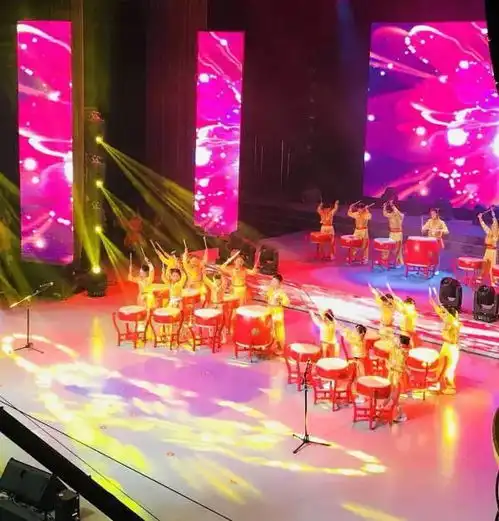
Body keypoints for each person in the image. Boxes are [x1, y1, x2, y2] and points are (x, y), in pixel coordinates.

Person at [429, 291, 461, 395]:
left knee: (449, 369)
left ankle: (451, 387)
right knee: (440, 364)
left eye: (447, 315)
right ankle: (437, 383)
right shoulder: (448, 320)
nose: (444, 316)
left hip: (452, 348)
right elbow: (441, 313)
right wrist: (434, 304)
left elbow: (450, 318)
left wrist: (445, 312)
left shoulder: (455, 323)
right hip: (446, 345)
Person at [382, 334, 410, 423]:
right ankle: (381, 408)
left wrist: (389, 364)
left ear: (402, 344)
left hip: (397, 377)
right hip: (393, 375)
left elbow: (398, 366)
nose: (396, 342)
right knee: (392, 396)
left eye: (398, 341)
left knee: (394, 397)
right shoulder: (398, 350)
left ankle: (401, 414)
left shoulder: (402, 353)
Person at [266, 274, 290, 352]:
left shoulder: (281, 293)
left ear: (279, 283)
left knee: (278, 330)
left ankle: (279, 346)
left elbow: (287, 302)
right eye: (272, 281)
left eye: (275, 281)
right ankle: (268, 343)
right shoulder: (270, 290)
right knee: (269, 327)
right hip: (269, 310)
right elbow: (267, 298)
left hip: (277, 312)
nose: (272, 283)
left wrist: (279, 302)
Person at [478, 209, 499, 284]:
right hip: (488, 250)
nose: (492, 226)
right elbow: (484, 226)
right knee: (485, 263)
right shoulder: (489, 232)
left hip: (493, 251)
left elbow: (495, 223)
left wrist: (493, 214)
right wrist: (480, 218)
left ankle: (494, 280)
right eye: (492, 225)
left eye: (494, 226)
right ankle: (481, 276)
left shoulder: (496, 234)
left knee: (492, 265)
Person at [382, 201, 404, 265]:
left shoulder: (401, 215)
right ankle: (385, 259)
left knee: (397, 249)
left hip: (398, 234)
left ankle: (398, 261)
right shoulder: (390, 215)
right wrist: (384, 206)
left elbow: (396, 212)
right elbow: (384, 214)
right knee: (389, 247)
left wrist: (392, 205)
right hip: (392, 234)